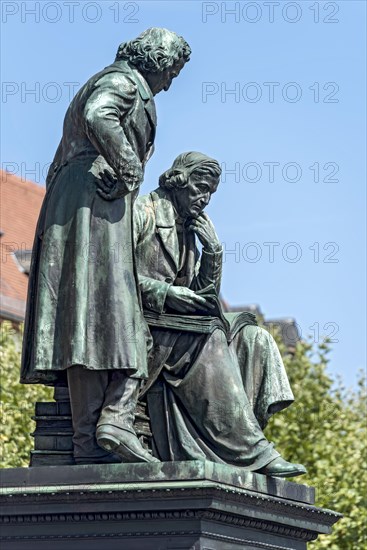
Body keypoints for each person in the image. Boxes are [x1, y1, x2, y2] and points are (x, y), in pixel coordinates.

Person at [20, 28, 191, 465]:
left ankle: (90, 439)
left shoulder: (123, 81)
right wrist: (129, 167)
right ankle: (99, 430)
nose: (169, 82)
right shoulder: (121, 81)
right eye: (171, 71)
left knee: (90, 317)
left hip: (91, 201)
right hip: (91, 204)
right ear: (154, 60)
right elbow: (100, 114)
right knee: (100, 311)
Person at [132, 151, 306, 476]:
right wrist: (167, 293)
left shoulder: (187, 228)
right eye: (200, 188)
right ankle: (253, 454)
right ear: (178, 181)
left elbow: (203, 296)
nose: (205, 198)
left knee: (255, 339)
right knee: (211, 335)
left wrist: (213, 252)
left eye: (211, 192)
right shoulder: (141, 213)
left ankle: (238, 446)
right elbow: (112, 278)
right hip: (142, 330)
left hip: (177, 328)